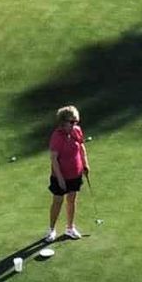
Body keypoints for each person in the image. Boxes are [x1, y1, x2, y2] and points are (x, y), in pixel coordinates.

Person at [45, 104, 88, 242]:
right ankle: (51, 229)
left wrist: (85, 163)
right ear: (63, 122)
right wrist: (60, 179)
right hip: (60, 176)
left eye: (76, 122)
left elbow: (81, 146)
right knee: (57, 201)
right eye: (71, 122)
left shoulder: (76, 131)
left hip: (75, 173)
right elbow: (54, 159)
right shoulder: (57, 137)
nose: (74, 124)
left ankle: (70, 228)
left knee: (71, 200)